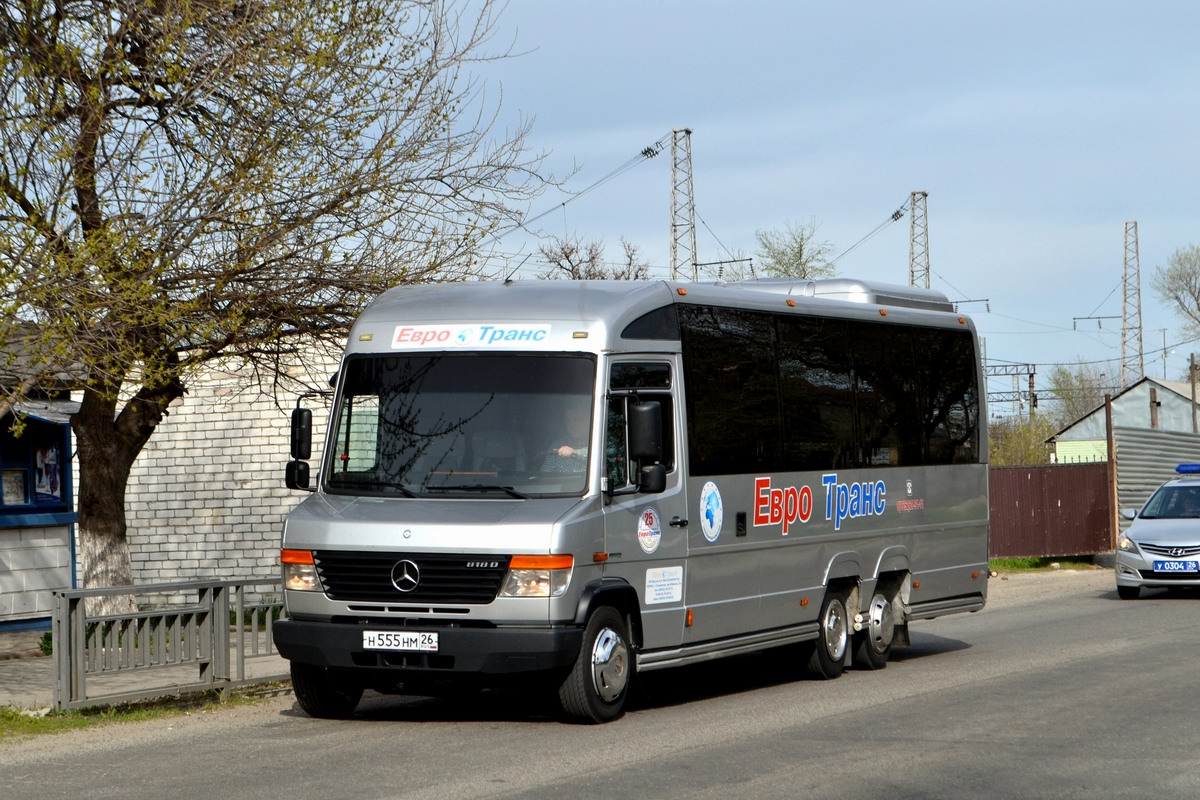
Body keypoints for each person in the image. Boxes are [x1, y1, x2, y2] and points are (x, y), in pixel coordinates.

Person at [543, 404, 589, 471]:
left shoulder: (600, 441)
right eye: (568, 420)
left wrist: (576, 453)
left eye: (578, 419)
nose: (572, 424)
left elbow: (600, 456)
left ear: (589, 420)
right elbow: (545, 474)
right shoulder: (557, 445)